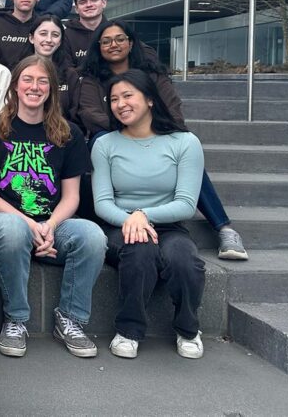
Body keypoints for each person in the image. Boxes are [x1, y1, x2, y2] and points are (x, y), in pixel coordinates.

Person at [77, 21, 249, 261]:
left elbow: (172, 109)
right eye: (106, 41)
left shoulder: (152, 73)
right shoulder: (92, 78)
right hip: (111, 135)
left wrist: (151, 130)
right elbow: (89, 113)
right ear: (98, 47)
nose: (113, 44)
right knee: (99, 140)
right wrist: (129, 125)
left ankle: (223, 227)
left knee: (184, 152)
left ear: (131, 43)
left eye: (119, 39)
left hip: (157, 132)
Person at [0, 55, 106, 359]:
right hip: (2, 226)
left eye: (42, 81)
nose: (35, 87)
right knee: (13, 228)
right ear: (15, 87)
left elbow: (71, 197)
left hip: (51, 225)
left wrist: (49, 226)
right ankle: (16, 320)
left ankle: (71, 319)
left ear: (52, 89)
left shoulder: (68, 134)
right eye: (28, 80)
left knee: (92, 235)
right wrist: (31, 225)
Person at [92, 69, 208, 360]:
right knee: (140, 251)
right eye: (114, 99)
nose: (120, 104)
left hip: (169, 225)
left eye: (128, 96)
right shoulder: (105, 144)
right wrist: (131, 219)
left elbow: (186, 203)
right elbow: (103, 203)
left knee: (184, 259)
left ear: (150, 100)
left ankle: (188, 328)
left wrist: (143, 214)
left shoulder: (185, 142)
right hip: (120, 225)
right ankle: (129, 330)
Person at [29, 14, 81, 123]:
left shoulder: (70, 75)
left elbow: (76, 114)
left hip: (63, 133)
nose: (49, 39)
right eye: (43, 34)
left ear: (60, 41)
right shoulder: (19, 71)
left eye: (55, 35)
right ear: (31, 38)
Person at [63, 0, 107, 66]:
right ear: (76, 9)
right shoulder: (65, 36)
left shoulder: (115, 31)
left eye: (94, 0)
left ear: (104, 3)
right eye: (83, 2)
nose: (89, 5)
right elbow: (66, 70)